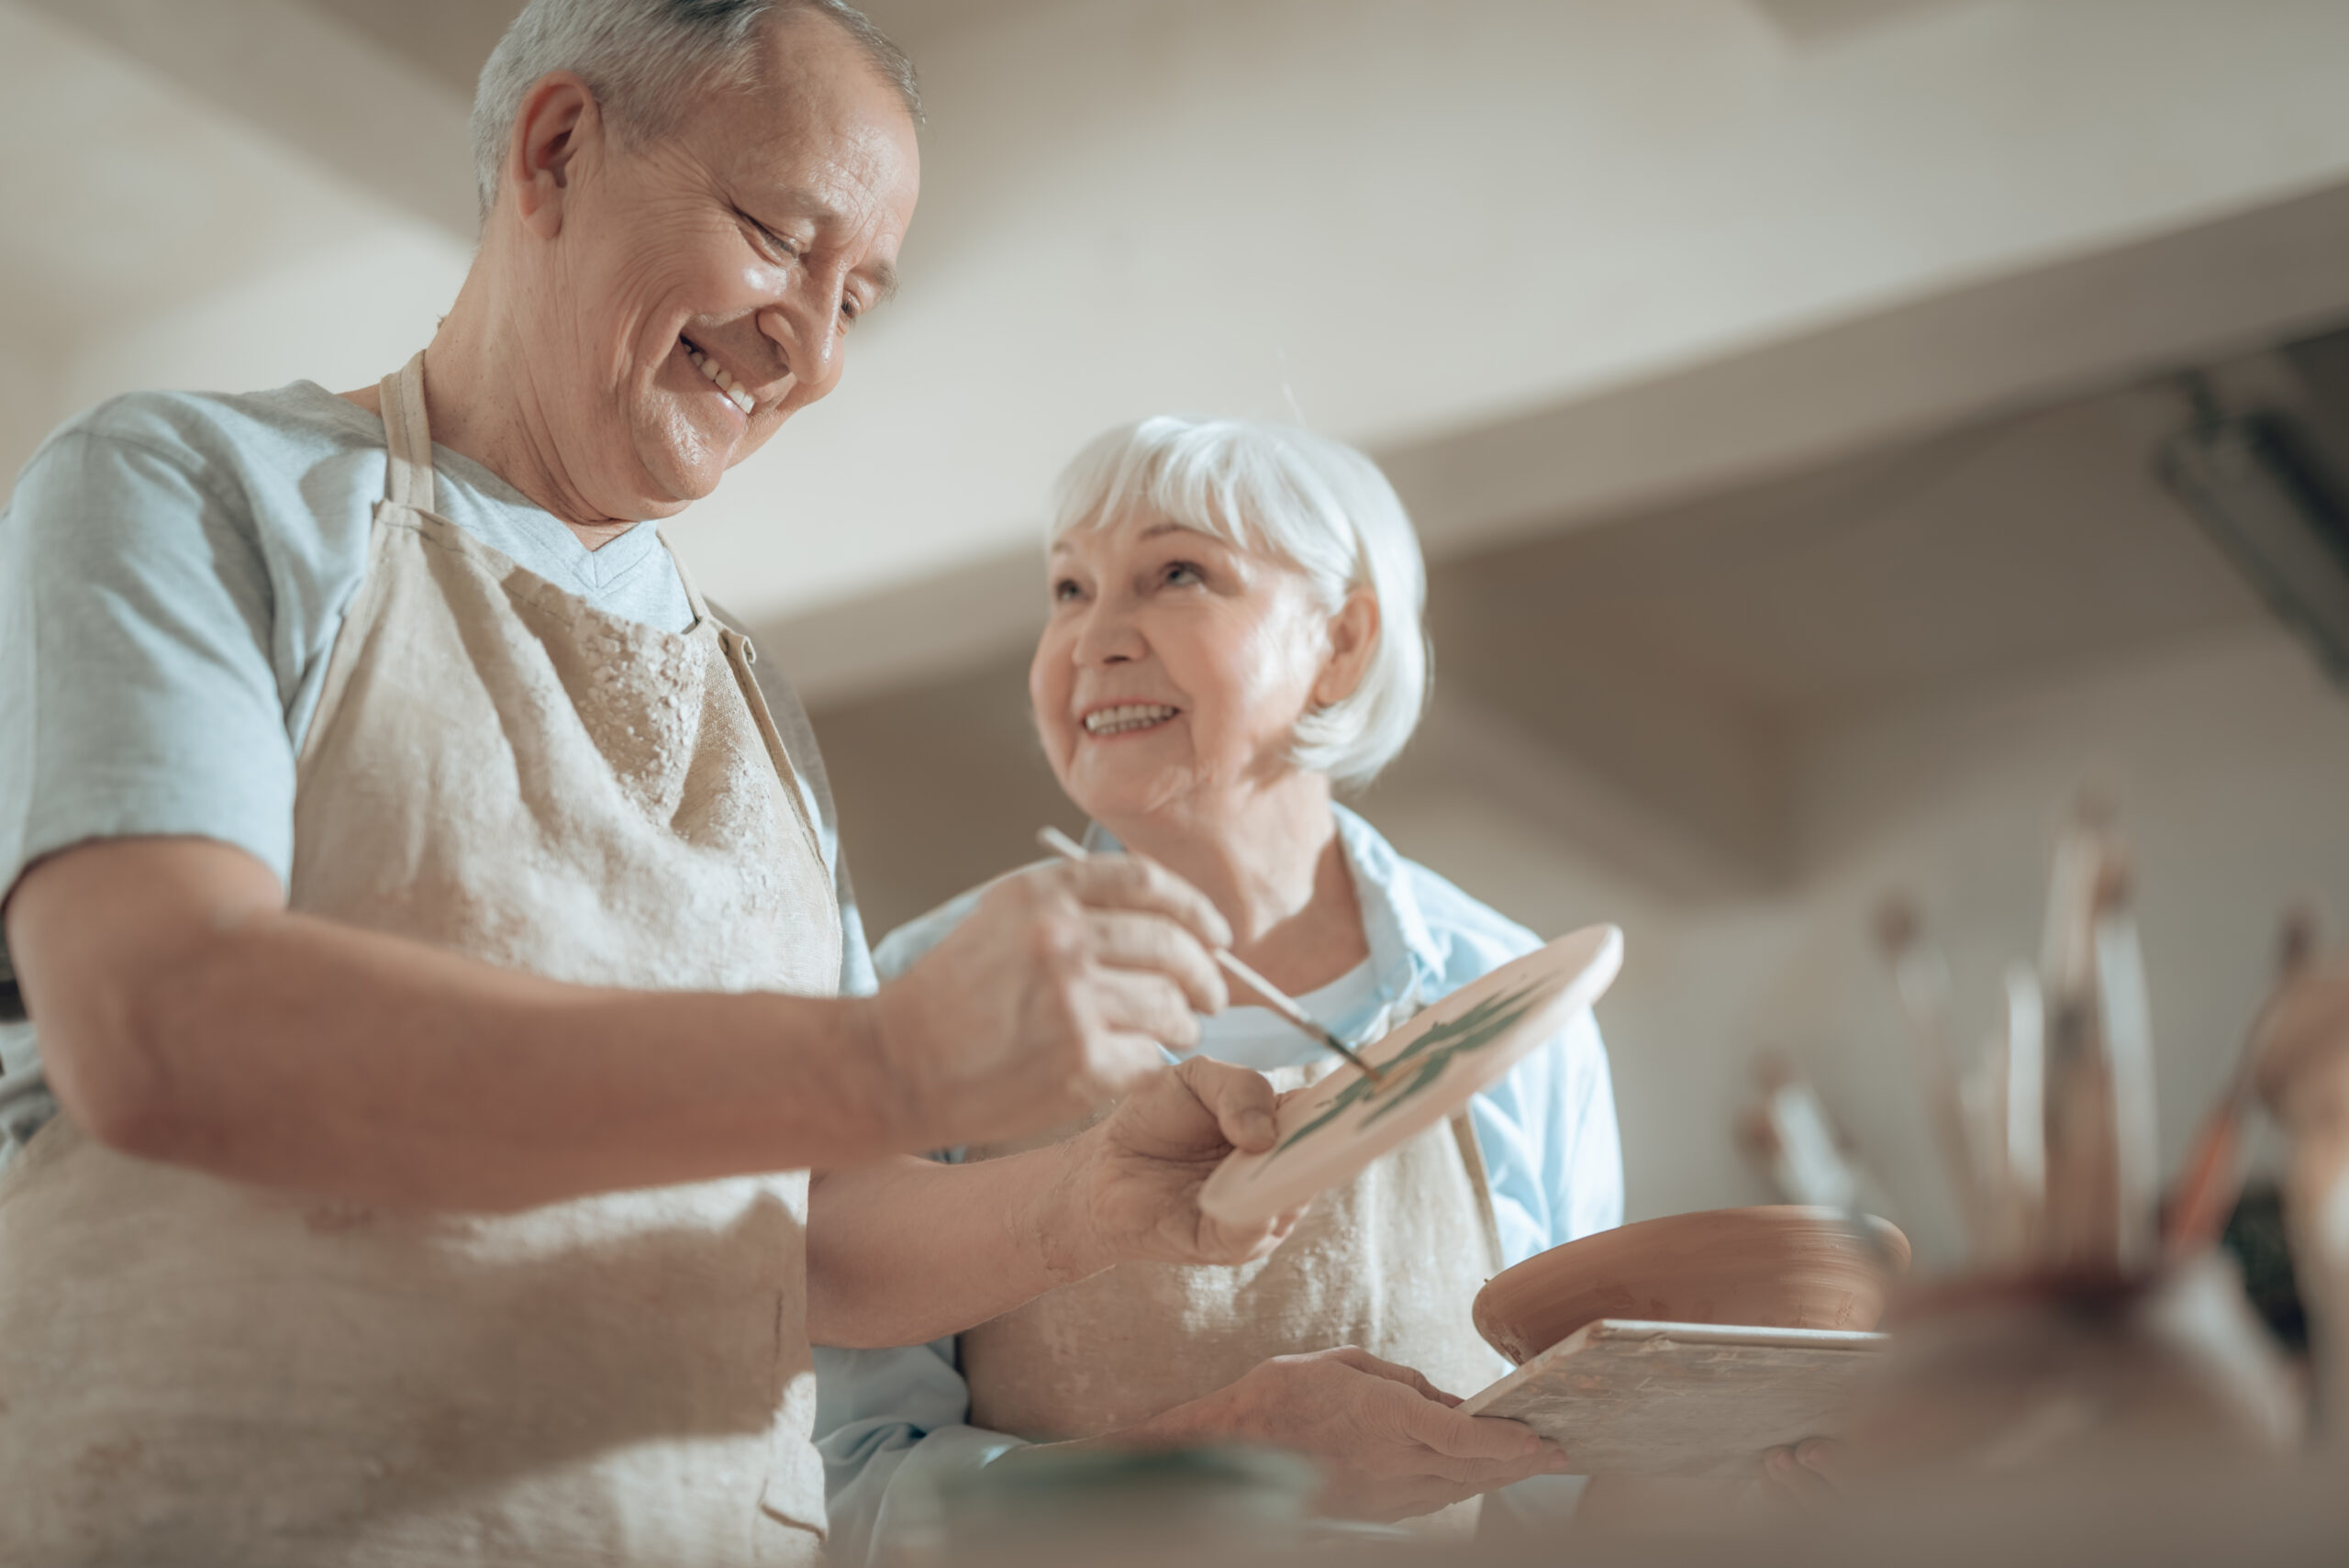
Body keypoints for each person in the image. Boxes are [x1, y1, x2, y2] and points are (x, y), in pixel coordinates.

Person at [0, 6, 1308, 1563]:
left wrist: (1091, 1197)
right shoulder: (190, 487)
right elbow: (159, 1022)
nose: (811, 352)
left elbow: (808, 1217)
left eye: (859, 298)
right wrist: (895, 1053)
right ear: (555, 150)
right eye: (774, 237)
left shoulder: (748, 695)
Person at [818, 416, 1622, 1559]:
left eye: (1175, 572)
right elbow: (845, 1499)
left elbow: (1576, 1480)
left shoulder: (1512, 997)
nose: (1094, 638)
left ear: (1339, 643)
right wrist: (1219, 1469)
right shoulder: (927, 989)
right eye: (1066, 589)